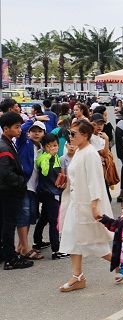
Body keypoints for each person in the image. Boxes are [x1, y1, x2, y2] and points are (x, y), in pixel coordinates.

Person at [58, 120, 114, 292]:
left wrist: (95, 206)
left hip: (86, 204)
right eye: (70, 133)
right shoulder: (79, 151)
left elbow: (95, 181)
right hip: (75, 201)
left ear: (85, 135)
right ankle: (78, 276)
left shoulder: (90, 154)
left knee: (95, 243)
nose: (70, 137)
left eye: (74, 134)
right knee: (71, 238)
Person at [0, 112, 33, 270]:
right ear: (6, 129)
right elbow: (6, 173)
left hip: (9, 190)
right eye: (17, 127)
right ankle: (10, 258)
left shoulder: (8, 143)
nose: (20, 130)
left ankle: (7, 255)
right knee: (9, 224)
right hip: (8, 192)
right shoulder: (4, 147)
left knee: (6, 223)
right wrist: (20, 182)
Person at [32, 133, 69, 260]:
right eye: (49, 146)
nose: (53, 148)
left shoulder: (56, 157)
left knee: (44, 218)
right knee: (54, 222)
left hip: (52, 192)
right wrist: (50, 157)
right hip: (50, 193)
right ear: (44, 147)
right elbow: (45, 172)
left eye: (55, 145)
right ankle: (56, 250)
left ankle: (37, 242)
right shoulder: (44, 158)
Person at [16, 119, 48, 261]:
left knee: (29, 218)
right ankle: (26, 248)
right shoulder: (24, 143)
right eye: (33, 131)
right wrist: (34, 120)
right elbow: (22, 130)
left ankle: (21, 246)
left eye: (39, 131)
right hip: (24, 186)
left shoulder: (42, 148)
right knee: (23, 217)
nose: (36, 133)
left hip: (34, 187)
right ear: (29, 133)